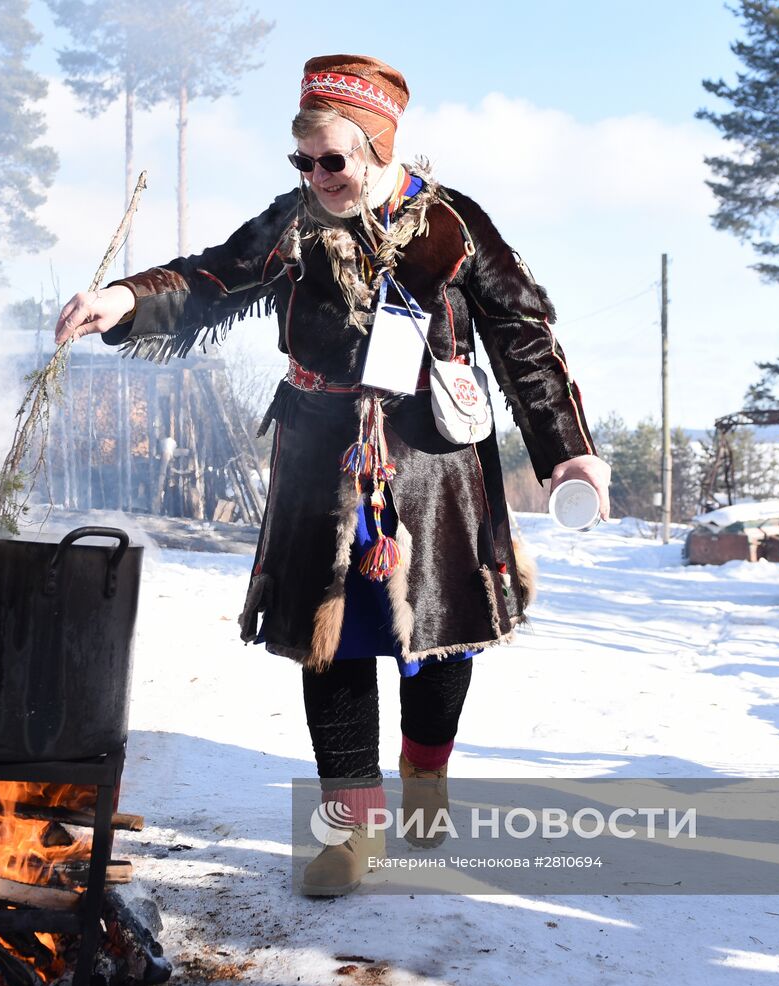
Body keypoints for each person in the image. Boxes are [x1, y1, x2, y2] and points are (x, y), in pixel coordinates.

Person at [55, 54, 610, 896]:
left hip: (433, 463)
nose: (317, 177)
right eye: (303, 162)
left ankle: (426, 776)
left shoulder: (453, 228)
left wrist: (566, 447)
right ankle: (351, 833)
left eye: (333, 161)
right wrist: (125, 302)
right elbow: (211, 276)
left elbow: (524, 335)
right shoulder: (293, 225)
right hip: (321, 459)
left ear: (379, 148)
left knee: (437, 640)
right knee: (334, 644)